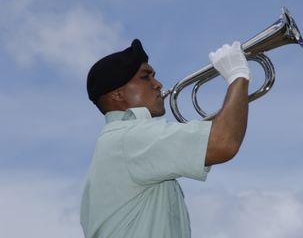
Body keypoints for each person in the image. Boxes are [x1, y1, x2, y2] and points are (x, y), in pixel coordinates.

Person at [80, 38, 250, 238]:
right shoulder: (129, 137)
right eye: (145, 77)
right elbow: (224, 143)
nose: (158, 84)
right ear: (118, 95)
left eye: (154, 76)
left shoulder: (119, 142)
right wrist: (237, 76)